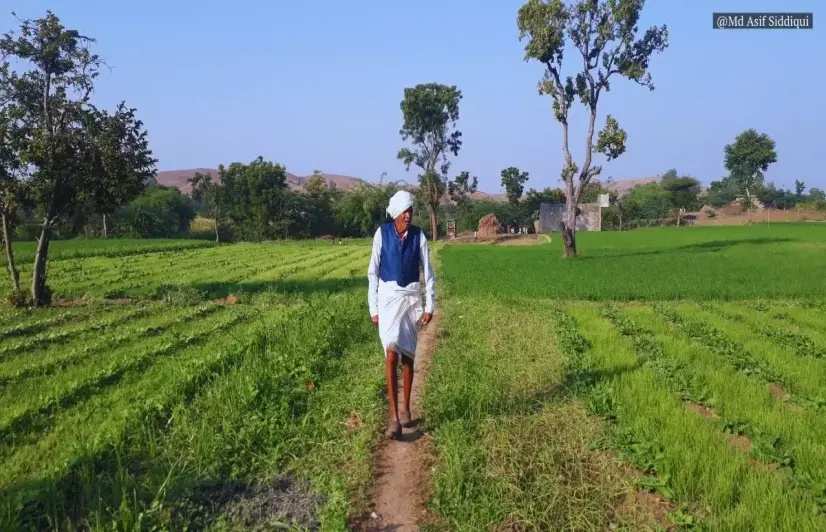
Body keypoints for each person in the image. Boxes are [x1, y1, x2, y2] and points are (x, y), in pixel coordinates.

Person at [367, 190, 436, 440]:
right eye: (405, 211)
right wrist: (373, 307)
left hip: (410, 299)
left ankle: (406, 407)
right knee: (390, 355)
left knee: (408, 355)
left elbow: (427, 272)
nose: (408, 215)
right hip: (388, 299)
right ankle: (394, 417)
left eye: (411, 211)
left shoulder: (419, 237)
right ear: (396, 212)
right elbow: (373, 272)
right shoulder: (382, 234)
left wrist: (429, 306)